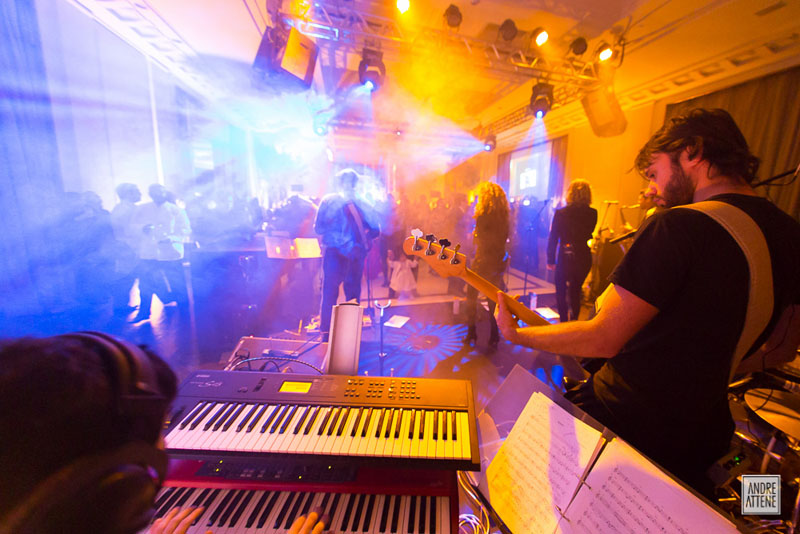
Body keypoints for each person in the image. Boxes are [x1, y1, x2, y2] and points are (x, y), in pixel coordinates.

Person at [495, 108, 800, 496]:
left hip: (621, 423)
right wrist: (703, 368)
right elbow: (783, 348)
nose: (654, 188)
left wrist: (518, 335)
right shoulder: (792, 234)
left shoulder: (679, 225)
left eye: (655, 172)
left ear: (692, 151)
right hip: (704, 433)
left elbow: (604, 339)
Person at [314, 169, 380, 338]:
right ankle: (352, 333)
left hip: (333, 253)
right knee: (352, 292)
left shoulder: (328, 201)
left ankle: (326, 333)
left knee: (329, 292)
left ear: (339, 182)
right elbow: (375, 230)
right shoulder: (363, 202)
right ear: (356, 183)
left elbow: (318, 228)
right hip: (355, 254)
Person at [133, 184, 192, 322]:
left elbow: (186, 229)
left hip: (170, 253)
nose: (157, 194)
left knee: (177, 283)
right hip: (149, 252)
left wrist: (171, 238)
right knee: (146, 283)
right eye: (154, 192)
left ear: (165, 193)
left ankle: (185, 312)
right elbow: (132, 226)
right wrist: (142, 228)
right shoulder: (143, 209)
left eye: (160, 192)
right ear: (150, 194)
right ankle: (144, 312)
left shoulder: (175, 210)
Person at [464, 182, 510, 351]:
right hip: (497, 262)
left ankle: (471, 332)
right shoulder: (504, 217)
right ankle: (494, 335)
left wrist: (474, 234)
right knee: (493, 299)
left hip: (482, 261)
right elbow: (504, 240)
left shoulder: (482, 217)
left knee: (471, 296)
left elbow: (479, 241)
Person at [546, 180, 597, 322]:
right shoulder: (593, 213)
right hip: (583, 255)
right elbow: (588, 232)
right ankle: (574, 323)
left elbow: (553, 237)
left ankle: (563, 323)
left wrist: (550, 259)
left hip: (565, 255)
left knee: (561, 292)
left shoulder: (561, 213)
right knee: (575, 291)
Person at [110, 183, 143, 314]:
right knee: (125, 278)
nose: (140, 194)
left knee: (129, 278)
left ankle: (120, 307)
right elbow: (128, 230)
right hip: (128, 248)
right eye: (137, 191)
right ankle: (119, 307)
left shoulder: (126, 208)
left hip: (130, 247)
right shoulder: (124, 210)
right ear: (128, 194)